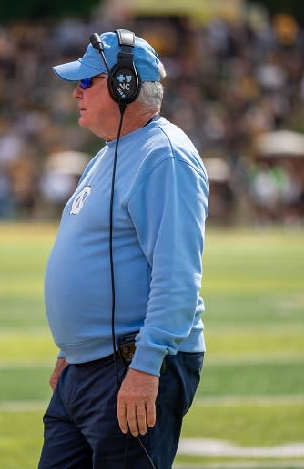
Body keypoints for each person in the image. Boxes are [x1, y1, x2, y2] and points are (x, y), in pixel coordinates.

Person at [39, 29, 209, 469]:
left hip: (130, 366)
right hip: (87, 368)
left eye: (86, 81)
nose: (76, 92)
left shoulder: (163, 155)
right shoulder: (109, 153)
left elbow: (176, 274)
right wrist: (71, 351)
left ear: (124, 85)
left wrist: (147, 365)